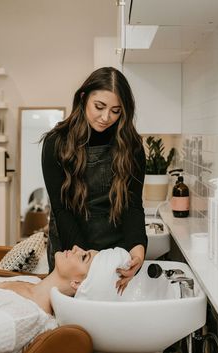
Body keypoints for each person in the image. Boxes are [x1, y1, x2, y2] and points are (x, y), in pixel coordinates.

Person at [41, 66, 147, 293]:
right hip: (73, 248)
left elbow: (132, 205)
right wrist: (87, 262)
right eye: (99, 107)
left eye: (116, 111)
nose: (106, 117)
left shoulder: (132, 147)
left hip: (114, 250)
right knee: (72, 325)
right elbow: (62, 210)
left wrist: (137, 251)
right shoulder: (56, 143)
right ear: (83, 98)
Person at [0, 246, 98, 353]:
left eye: (83, 257)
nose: (75, 248)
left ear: (78, 283)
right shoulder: (32, 280)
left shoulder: (27, 316)